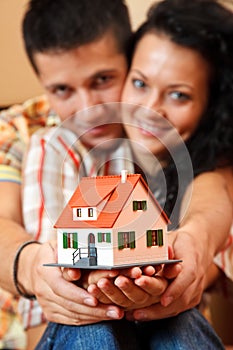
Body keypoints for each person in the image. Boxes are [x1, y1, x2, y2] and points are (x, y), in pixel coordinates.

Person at [23, 0, 232, 349]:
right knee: (95, 327)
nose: (148, 110)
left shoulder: (186, 161)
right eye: (140, 83)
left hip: (163, 322)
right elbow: (60, 263)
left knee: (177, 321)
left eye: (179, 94)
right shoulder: (52, 144)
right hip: (71, 325)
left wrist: (183, 255)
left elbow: (213, 194)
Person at [0, 0, 133, 348]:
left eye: (102, 80)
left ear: (131, 59)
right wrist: (34, 267)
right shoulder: (21, 132)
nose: (87, 109)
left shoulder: (158, 127)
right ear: (42, 82)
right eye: (62, 90)